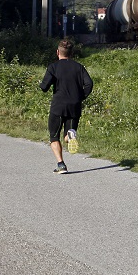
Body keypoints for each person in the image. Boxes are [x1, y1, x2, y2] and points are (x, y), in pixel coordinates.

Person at [39, 38, 94, 174]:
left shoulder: (53, 67)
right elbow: (89, 83)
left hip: (58, 106)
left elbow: (44, 87)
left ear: (58, 52)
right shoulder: (79, 67)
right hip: (74, 106)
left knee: (54, 136)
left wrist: (43, 84)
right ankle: (70, 135)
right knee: (68, 135)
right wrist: (80, 96)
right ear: (72, 53)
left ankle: (61, 164)